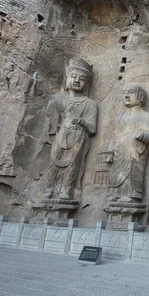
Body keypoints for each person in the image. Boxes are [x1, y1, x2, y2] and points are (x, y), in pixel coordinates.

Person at [42, 58, 97, 201]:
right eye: (73, 76)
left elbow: (92, 128)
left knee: (73, 165)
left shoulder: (90, 104)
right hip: (61, 135)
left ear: (87, 84)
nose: (77, 80)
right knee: (54, 161)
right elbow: (50, 118)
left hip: (78, 137)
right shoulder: (58, 98)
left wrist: (82, 122)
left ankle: (67, 190)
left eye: (82, 79)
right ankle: (49, 189)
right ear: (67, 79)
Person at [104, 83, 149, 206]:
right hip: (119, 151)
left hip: (135, 153)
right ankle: (116, 193)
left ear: (141, 96)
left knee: (132, 171)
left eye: (131, 92)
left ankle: (132, 195)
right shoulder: (119, 118)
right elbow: (113, 138)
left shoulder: (146, 117)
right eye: (124, 92)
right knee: (116, 173)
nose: (126, 95)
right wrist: (110, 152)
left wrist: (142, 135)